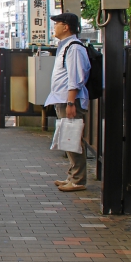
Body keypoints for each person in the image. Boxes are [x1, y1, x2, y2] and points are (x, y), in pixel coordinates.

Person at [45, 12, 91, 192]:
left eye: (56, 24)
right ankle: (73, 175)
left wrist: (71, 102)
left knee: (73, 138)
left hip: (69, 100)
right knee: (69, 137)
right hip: (63, 99)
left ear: (66, 26)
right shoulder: (66, 47)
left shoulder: (74, 48)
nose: (54, 27)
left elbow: (76, 77)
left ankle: (78, 180)